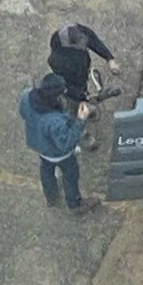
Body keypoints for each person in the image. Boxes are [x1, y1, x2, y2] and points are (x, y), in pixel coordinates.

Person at [18, 73, 100, 214]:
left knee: (46, 170)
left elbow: (23, 113)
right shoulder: (55, 121)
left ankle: (52, 199)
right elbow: (66, 143)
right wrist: (81, 120)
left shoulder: (26, 96)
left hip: (39, 145)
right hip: (60, 154)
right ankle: (75, 204)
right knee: (70, 174)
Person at [47, 22, 116, 103]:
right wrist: (83, 97)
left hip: (78, 67)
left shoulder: (78, 31)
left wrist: (109, 58)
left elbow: (93, 41)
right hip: (71, 80)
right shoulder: (59, 62)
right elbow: (65, 85)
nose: (84, 47)